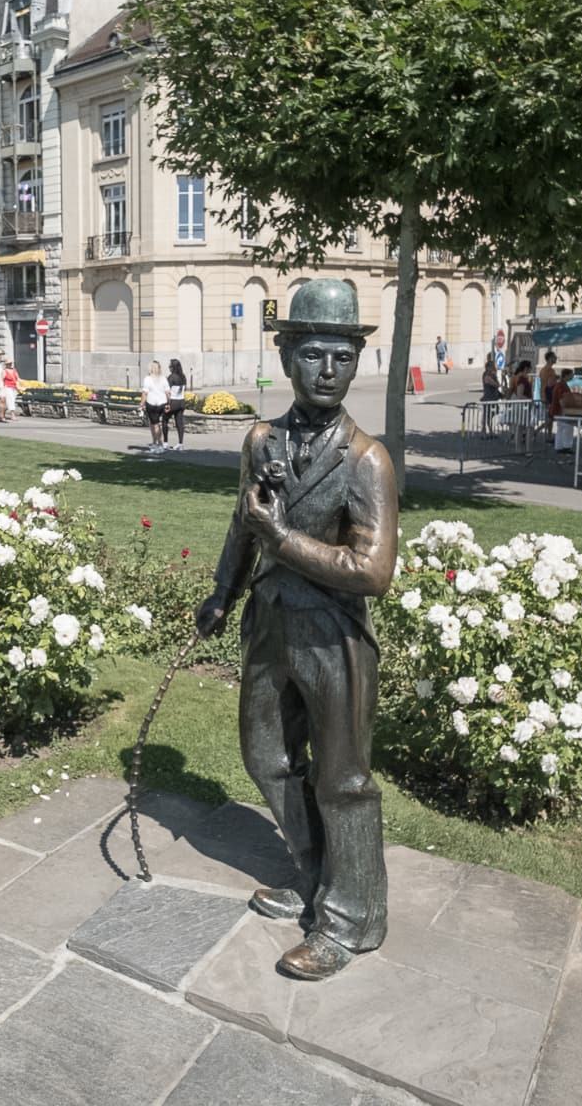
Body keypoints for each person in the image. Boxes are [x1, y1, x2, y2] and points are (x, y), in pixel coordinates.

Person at [196, 279, 397, 981]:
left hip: (333, 637)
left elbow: (371, 572)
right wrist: (222, 592)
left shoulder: (365, 459)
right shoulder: (262, 440)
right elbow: (240, 520)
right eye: (312, 355)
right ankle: (312, 876)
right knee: (265, 756)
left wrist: (279, 540)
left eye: (341, 357)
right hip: (269, 624)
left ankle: (351, 919)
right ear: (285, 356)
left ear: (355, 362)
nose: (327, 370)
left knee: (343, 778)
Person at [140, 359, 170, 453]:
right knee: (154, 424)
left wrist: (141, 404)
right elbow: (168, 392)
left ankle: (159, 443)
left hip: (152, 403)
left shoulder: (148, 379)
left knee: (155, 424)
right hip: (162, 403)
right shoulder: (163, 378)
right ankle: (154, 442)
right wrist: (169, 403)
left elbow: (145, 393)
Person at [162, 358, 188, 450]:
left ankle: (165, 443)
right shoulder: (183, 377)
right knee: (179, 423)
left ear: (173, 367)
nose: (169, 367)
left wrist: (167, 404)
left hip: (173, 402)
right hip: (181, 402)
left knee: (164, 420)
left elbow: (167, 392)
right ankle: (180, 444)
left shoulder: (171, 377)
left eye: (170, 366)